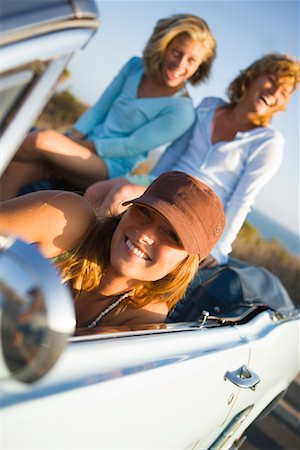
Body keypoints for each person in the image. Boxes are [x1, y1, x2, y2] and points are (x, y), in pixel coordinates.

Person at [85, 53, 300, 268]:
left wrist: (220, 248)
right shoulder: (209, 106)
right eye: (272, 81)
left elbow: (242, 199)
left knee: (120, 196)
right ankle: (75, 255)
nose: (275, 93)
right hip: (164, 185)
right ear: (253, 76)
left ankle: (89, 265)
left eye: (284, 92)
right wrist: (154, 192)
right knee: (96, 191)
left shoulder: (268, 142)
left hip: (196, 206)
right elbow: (174, 152)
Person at [0, 14, 216, 200]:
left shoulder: (182, 111)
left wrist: (74, 145)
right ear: (164, 46)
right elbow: (100, 108)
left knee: (41, 139)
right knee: (15, 169)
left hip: (107, 167)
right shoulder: (135, 66)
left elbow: (130, 146)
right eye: (177, 53)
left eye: (191, 60)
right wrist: (72, 136)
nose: (180, 65)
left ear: (200, 66)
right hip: (80, 146)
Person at [0, 171, 225, 328]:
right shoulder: (67, 219)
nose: (146, 233)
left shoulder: (143, 317)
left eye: (171, 234)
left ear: (183, 264)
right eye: (145, 212)